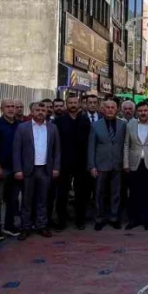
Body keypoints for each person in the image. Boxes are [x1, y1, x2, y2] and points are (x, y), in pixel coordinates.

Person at [14, 101, 61, 239]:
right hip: (28, 169)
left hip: (45, 169)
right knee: (26, 200)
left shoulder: (52, 128)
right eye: (38, 110)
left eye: (43, 110)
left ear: (47, 112)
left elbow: (57, 150)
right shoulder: (23, 128)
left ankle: (42, 225)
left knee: (43, 199)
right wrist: (18, 169)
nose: (41, 112)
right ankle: (25, 227)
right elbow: (16, 150)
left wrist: (56, 167)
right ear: (32, 112)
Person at [52, 95, 92, 231]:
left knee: (81, 194)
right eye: (70, 103)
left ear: (79, 104)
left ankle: (80, 220)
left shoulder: (85, 120)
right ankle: (61, 221)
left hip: (81, 162)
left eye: (75, 102)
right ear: (66, 104)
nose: (73, 105)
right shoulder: (59, 121)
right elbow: (55, 144)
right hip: (64, 162)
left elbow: (89, 142)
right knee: (62, 194)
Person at [89, 99, 126, 230]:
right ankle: (99, 218)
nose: (110, 109)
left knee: (116, 192)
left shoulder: (123, 125)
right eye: (108, 107)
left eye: (113, 107)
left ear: (117, 109)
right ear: (103, 110)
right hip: (101, 164)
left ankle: (114, 217)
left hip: (117, 164)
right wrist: (92, 165)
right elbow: (91, 147)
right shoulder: (95, 125)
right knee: (99, 193)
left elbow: (125, 145)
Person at [124, 101, 148, 229]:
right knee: (134, 193)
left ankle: (147, 220)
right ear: (136, 112)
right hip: (134, 163)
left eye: (145, 111)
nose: (143, 113)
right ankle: (134, 220)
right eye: (140, 111)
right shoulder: (130, 124)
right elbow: (127, 145)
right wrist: (126, 163)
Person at [0, 99, 21, 238]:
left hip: (16, 167)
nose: (11, 109)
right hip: (2, 167)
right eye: (8, 107)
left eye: (13, 107)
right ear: (1, 108)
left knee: (13, 199)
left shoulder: (20, 125)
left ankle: (9, 225)